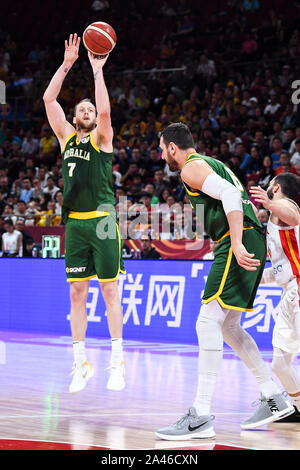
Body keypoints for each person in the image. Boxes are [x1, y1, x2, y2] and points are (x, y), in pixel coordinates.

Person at [155, 122, 293, 441]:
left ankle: (201, 414)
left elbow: (231, 194)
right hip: (247, 237)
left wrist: (235, 241)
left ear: (173, 147)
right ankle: (273, 396)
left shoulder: (190, 168)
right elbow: (232, 196)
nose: (162, 156)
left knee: (207, 322)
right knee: (229, 326)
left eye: (163, 149)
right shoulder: (213, 163)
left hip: (241, 239)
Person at [43, 34, 126, 394]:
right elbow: (48, 99)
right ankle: (81, 363)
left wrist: (96, 71)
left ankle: (117, 363)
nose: (87, 113)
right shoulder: (65, 137)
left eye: (90, 110)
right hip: (75, 223)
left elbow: (107, 111)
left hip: (104, 221)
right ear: (75, 117)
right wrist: (66, 64)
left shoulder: (102, 139)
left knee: (110, 292)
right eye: (82, 110)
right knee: (77, 294)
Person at [250, 174, 300, 422]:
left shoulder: (286, 208)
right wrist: (253, 277)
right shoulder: (272, 218)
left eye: (270, 186)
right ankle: (298, 407)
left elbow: (294, 215)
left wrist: (270, 203)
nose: (267, 189)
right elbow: (281, 269)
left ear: (276, 188)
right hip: (288, 294)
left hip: (299, 288)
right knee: (279, 364)